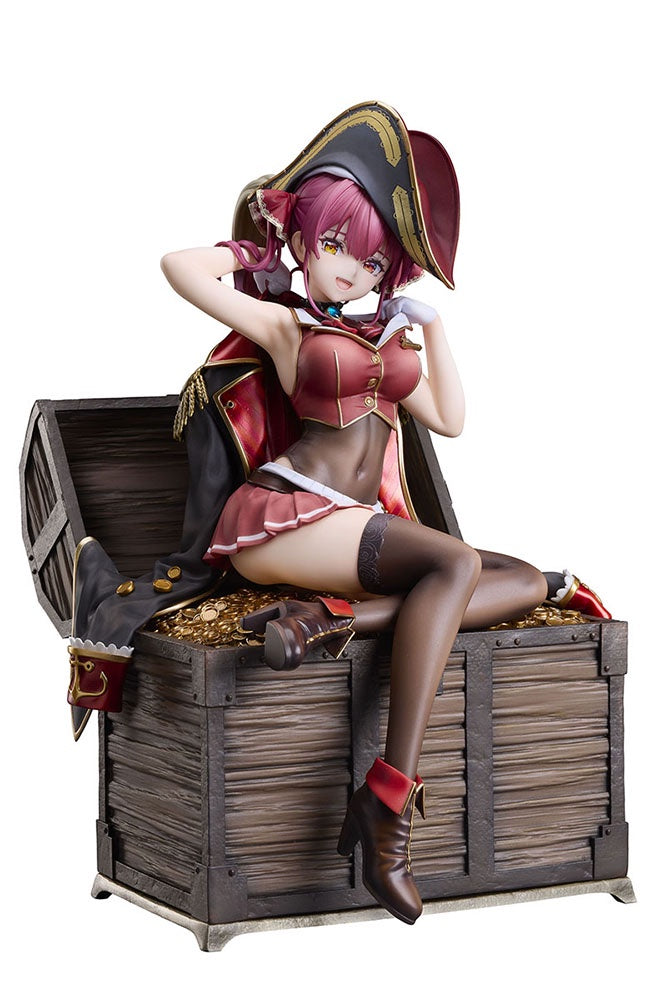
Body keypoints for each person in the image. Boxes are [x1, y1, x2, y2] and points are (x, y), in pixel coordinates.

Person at [67, 102, 610, 922]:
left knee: (528, 581)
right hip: (283, 516)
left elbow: (449, 419)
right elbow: (178, 267)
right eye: (333, 245)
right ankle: (387, 803)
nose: (351, 269)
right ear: (306, 241)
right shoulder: (286, 325)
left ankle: (332, 621)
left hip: (348, 530)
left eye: (371, 257)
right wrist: (259, 248)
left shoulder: (389, 335)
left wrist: (433, 331)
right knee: (457, 565)